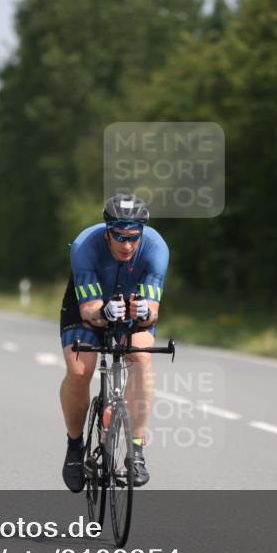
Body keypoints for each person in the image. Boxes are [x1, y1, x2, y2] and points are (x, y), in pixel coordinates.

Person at [59, 194, 168, 492]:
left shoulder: (156, 248)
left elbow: (152, 312)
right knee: (81, 371)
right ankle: (74, 446)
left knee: (142, 357)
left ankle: (136, 450)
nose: (127, 245)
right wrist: (104, 312)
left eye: (134, 237)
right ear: (107, 231)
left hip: (132, 305)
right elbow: (88, 310)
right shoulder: (85, 245)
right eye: (120, 236)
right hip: (88, 306)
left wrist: (145, 312)